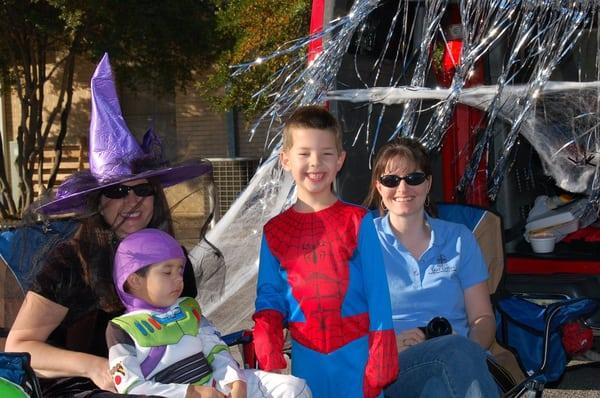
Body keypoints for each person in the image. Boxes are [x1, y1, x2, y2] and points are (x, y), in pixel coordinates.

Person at [6, 54, 211, 397]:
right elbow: (20, 345)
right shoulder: (70, 263)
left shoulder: (173, 259)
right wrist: (95, 366)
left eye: (142, 189)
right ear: (98, 202)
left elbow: (186, 330)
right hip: (83, 387)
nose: (132, 201)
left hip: (158, 383)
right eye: (117, 191)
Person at [252, 106, 399, 398]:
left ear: (340, 160)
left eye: (326, 153)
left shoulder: (358, 221)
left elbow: (378, 292)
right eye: (304, 153)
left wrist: (382, 346)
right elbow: (269, 293)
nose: (315, 163)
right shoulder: (275, 231)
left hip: (358, 357)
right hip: (307, 360)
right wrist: (267, 330)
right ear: (285, 160)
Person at [363, 137, 500, 398]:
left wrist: (465, 350)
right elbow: (344, 321)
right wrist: (388, 344)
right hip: (392, 366)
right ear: (379, 187)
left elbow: (482, 318)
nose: (403, 188)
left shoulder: (459, 238)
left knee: (440, 387)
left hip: (459, 359)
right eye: (392, 180)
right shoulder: (362, 242)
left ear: (428, 183)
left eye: (413, 178)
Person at [107, 228, 311, 398]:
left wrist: (235, 380)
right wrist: (191, 392)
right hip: (174, 394)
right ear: (134, 279)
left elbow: (216, 350)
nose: (179, 279)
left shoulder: (188, 308)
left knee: (293, 388)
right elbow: (131, 388)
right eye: (167, 272)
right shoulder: (121, 329)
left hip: (216, 385)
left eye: (180, 270)